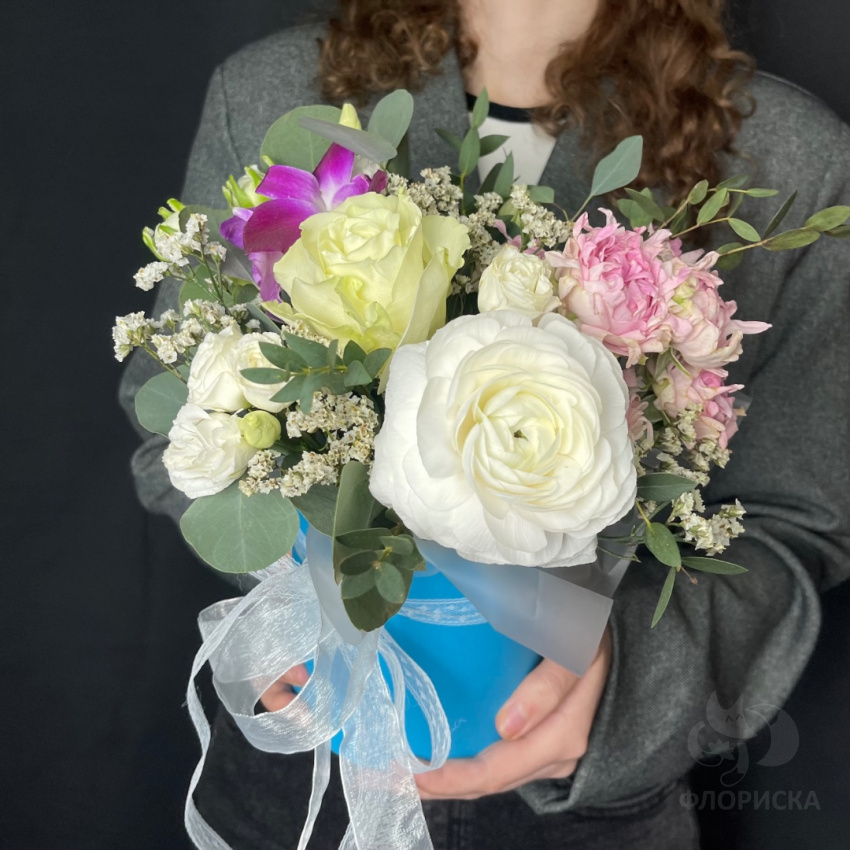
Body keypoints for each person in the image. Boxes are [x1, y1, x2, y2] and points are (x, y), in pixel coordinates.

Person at [119, 1, 850, 847]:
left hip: (591, 810)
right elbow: (177, 425)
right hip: (301, 777)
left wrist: (629, 685)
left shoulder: (790, 159)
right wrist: (288, 600)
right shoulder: (272, 96)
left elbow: (795, 526)